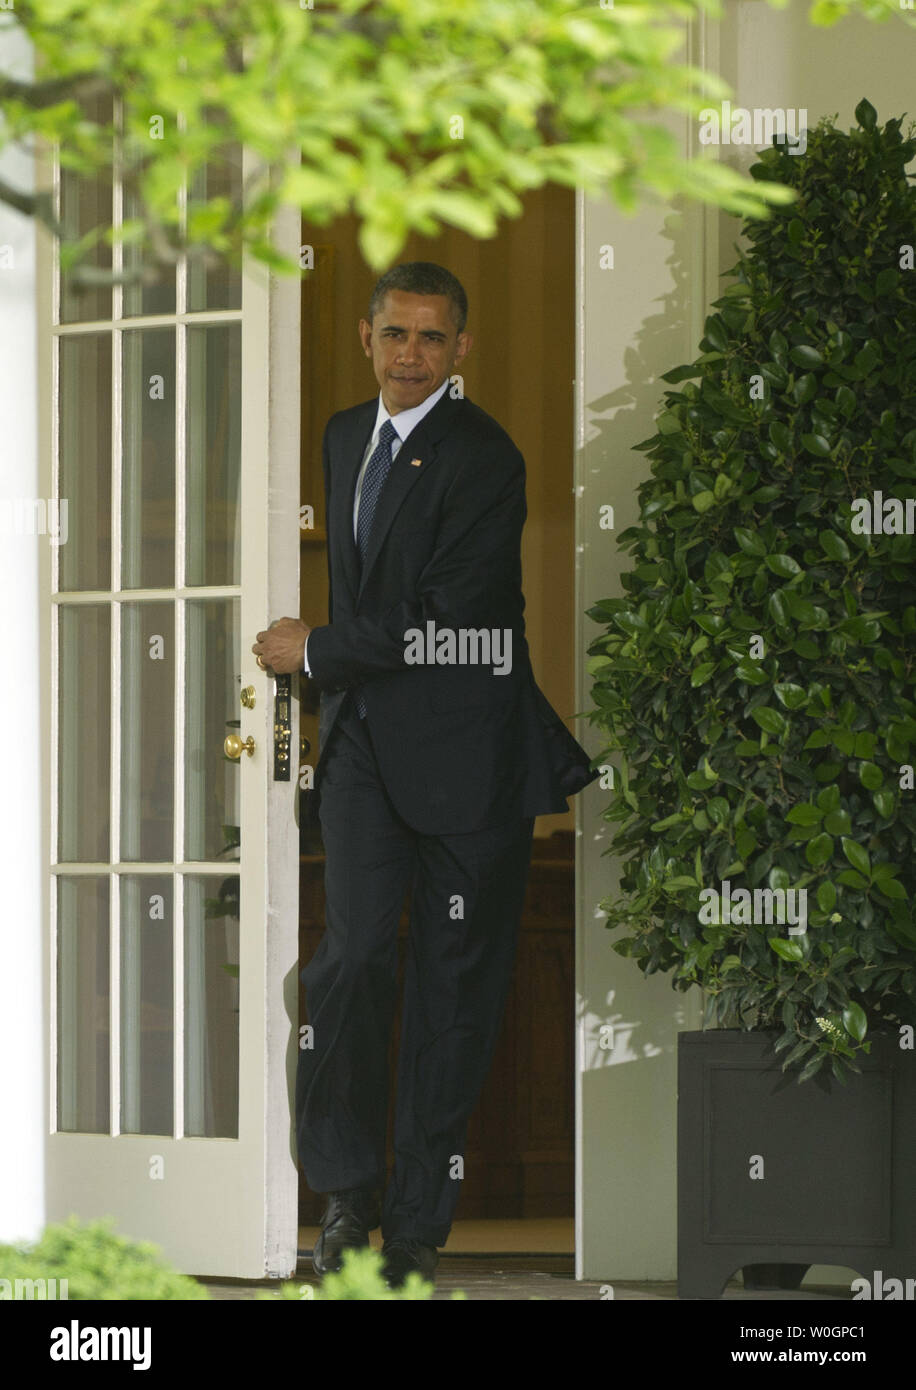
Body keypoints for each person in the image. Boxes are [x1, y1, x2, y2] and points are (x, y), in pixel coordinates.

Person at [252, 261, 596, 1289]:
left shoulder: (486, 457)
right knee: (348, 967)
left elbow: (446, 616)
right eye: (395, 335)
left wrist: (313, 650)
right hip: (362, 752)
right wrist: (330, 695)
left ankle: (412, 1235)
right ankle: (345, 1198)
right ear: (366, 338)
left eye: (431, 340)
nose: (410, 356)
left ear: (461, 350)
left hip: (468, 759)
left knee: (451, 997)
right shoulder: (342, 435)